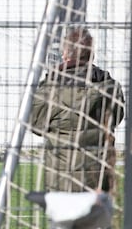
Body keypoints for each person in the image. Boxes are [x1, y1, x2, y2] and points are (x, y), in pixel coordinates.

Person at [30, 26, 124, 228]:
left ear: (65, 53)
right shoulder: (109, 86)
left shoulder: (50, 87)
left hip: (61, 180)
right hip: (96, 180)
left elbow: (35, 125)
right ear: (92, 54)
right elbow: (116, 118)